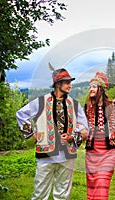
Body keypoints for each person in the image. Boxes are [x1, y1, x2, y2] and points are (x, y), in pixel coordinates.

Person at [16, 64, 88, 200]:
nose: (70, 85)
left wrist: (72, 136)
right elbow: (21, 114)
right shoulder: (41, 102)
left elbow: (84, 126)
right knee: (40, 192)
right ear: (57, 84)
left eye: (70, 82)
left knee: (63, 192)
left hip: (68, 154)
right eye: (67, 82)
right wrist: (32, 132)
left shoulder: (75, 104)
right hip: (46, 153)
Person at [84, 72, 115, 200]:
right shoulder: (87, 108)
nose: (91, 90)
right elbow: (80, 127)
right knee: (92, 182)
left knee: (102, 181)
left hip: (109, 151)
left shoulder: (113, 106)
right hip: (92, 152)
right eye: (90, 87)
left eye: (94, 87)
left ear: (101, 89)